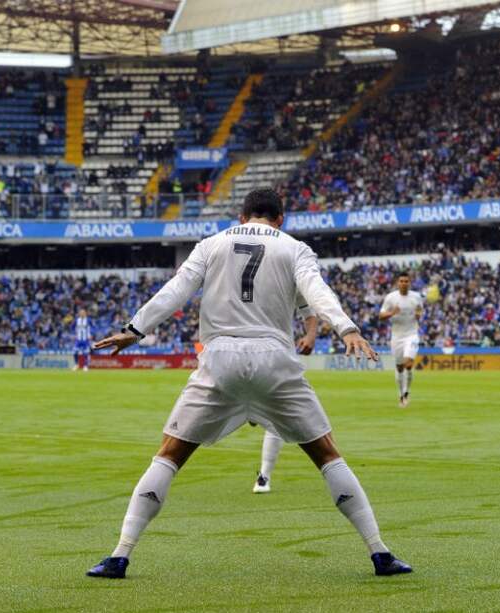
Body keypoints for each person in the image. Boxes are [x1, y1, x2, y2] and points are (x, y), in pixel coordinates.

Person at [86, 188, 412, 578]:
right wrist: (347, 328)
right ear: (281, 218)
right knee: (327, 454)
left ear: (242, 217)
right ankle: (380, 553)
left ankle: (120, 555)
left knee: (170, 454)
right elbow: (316, 293)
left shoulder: (211, 244)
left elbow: (177, 290)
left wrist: (134, 330)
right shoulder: (295, 248)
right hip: (274, 359)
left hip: (220, 358)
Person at [253, 299, 318, 494]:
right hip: (238, 354)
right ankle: (250, 410)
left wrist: (310, 335)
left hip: (278, 355)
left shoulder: (289, 273)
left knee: (276, 419)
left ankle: (264, 476)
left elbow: (308, 310)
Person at [379, 272, 423, 407]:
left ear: (410, 283)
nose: (404, 283)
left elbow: (420, 310)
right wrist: (392, 313)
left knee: (408, 364)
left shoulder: (416, 297)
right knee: (399, 367)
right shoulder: (391, 298)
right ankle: (400, 394)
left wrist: (418, 315)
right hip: (397, 337)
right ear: (398, 283)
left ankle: (406, 392)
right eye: (401, 281)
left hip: (412, 334)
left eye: (406, 281)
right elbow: (381, 316)